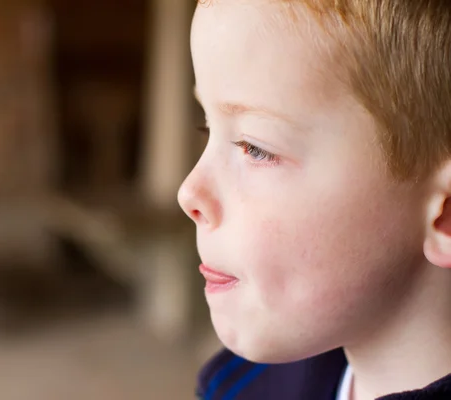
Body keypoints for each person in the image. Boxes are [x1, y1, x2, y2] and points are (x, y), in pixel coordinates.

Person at [178, 1, 451, 399]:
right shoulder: (239, 386)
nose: (188, 192)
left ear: (445, 214)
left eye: (254, 148)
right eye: (207, 126)